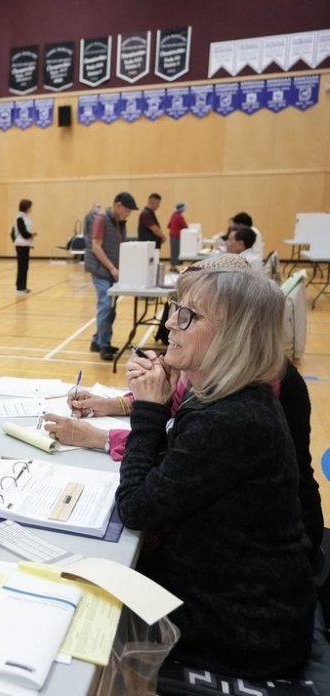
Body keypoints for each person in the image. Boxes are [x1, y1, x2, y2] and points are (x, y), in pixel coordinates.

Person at [116, 268, 315, 681]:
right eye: (175, 308)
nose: (170, 322)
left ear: (234, 336)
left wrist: (149, 409)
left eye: (188, 315)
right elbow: (165, 477)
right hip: (236, 599)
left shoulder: (232, 418)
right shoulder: (226, 398)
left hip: (244, 631)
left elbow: (136, 506)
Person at [86, 192, 138, 360]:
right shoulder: (101, 220)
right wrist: (112, 268)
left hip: (111, 271)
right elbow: (96, 246)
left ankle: (97, 341)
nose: (128, 214)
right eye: (127, 210)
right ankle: (104, 345)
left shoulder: (118, 222)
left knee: (111, 308)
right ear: (118, 205)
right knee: (106, 306)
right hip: (101, 270)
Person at [12, 198, 36, 294]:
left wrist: (30, 235)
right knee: (22, 266)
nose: (31, 208)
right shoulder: (19, 218)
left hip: (25, 244)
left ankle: (23, 286)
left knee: (25, 266)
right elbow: (23, 232)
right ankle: (20, 287)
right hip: (21, 245)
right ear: (26, 207)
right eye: (30, 206)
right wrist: (31, 235)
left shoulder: (26, 217)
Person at [166, 202, 187, 271]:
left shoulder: (174, 214)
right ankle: (174, 267)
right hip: (177, 236)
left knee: (173, 251)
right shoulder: (179, 216)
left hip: (172, 235)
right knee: (176, 252)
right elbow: (185, 226)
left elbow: (168, 225)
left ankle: (172, 266)